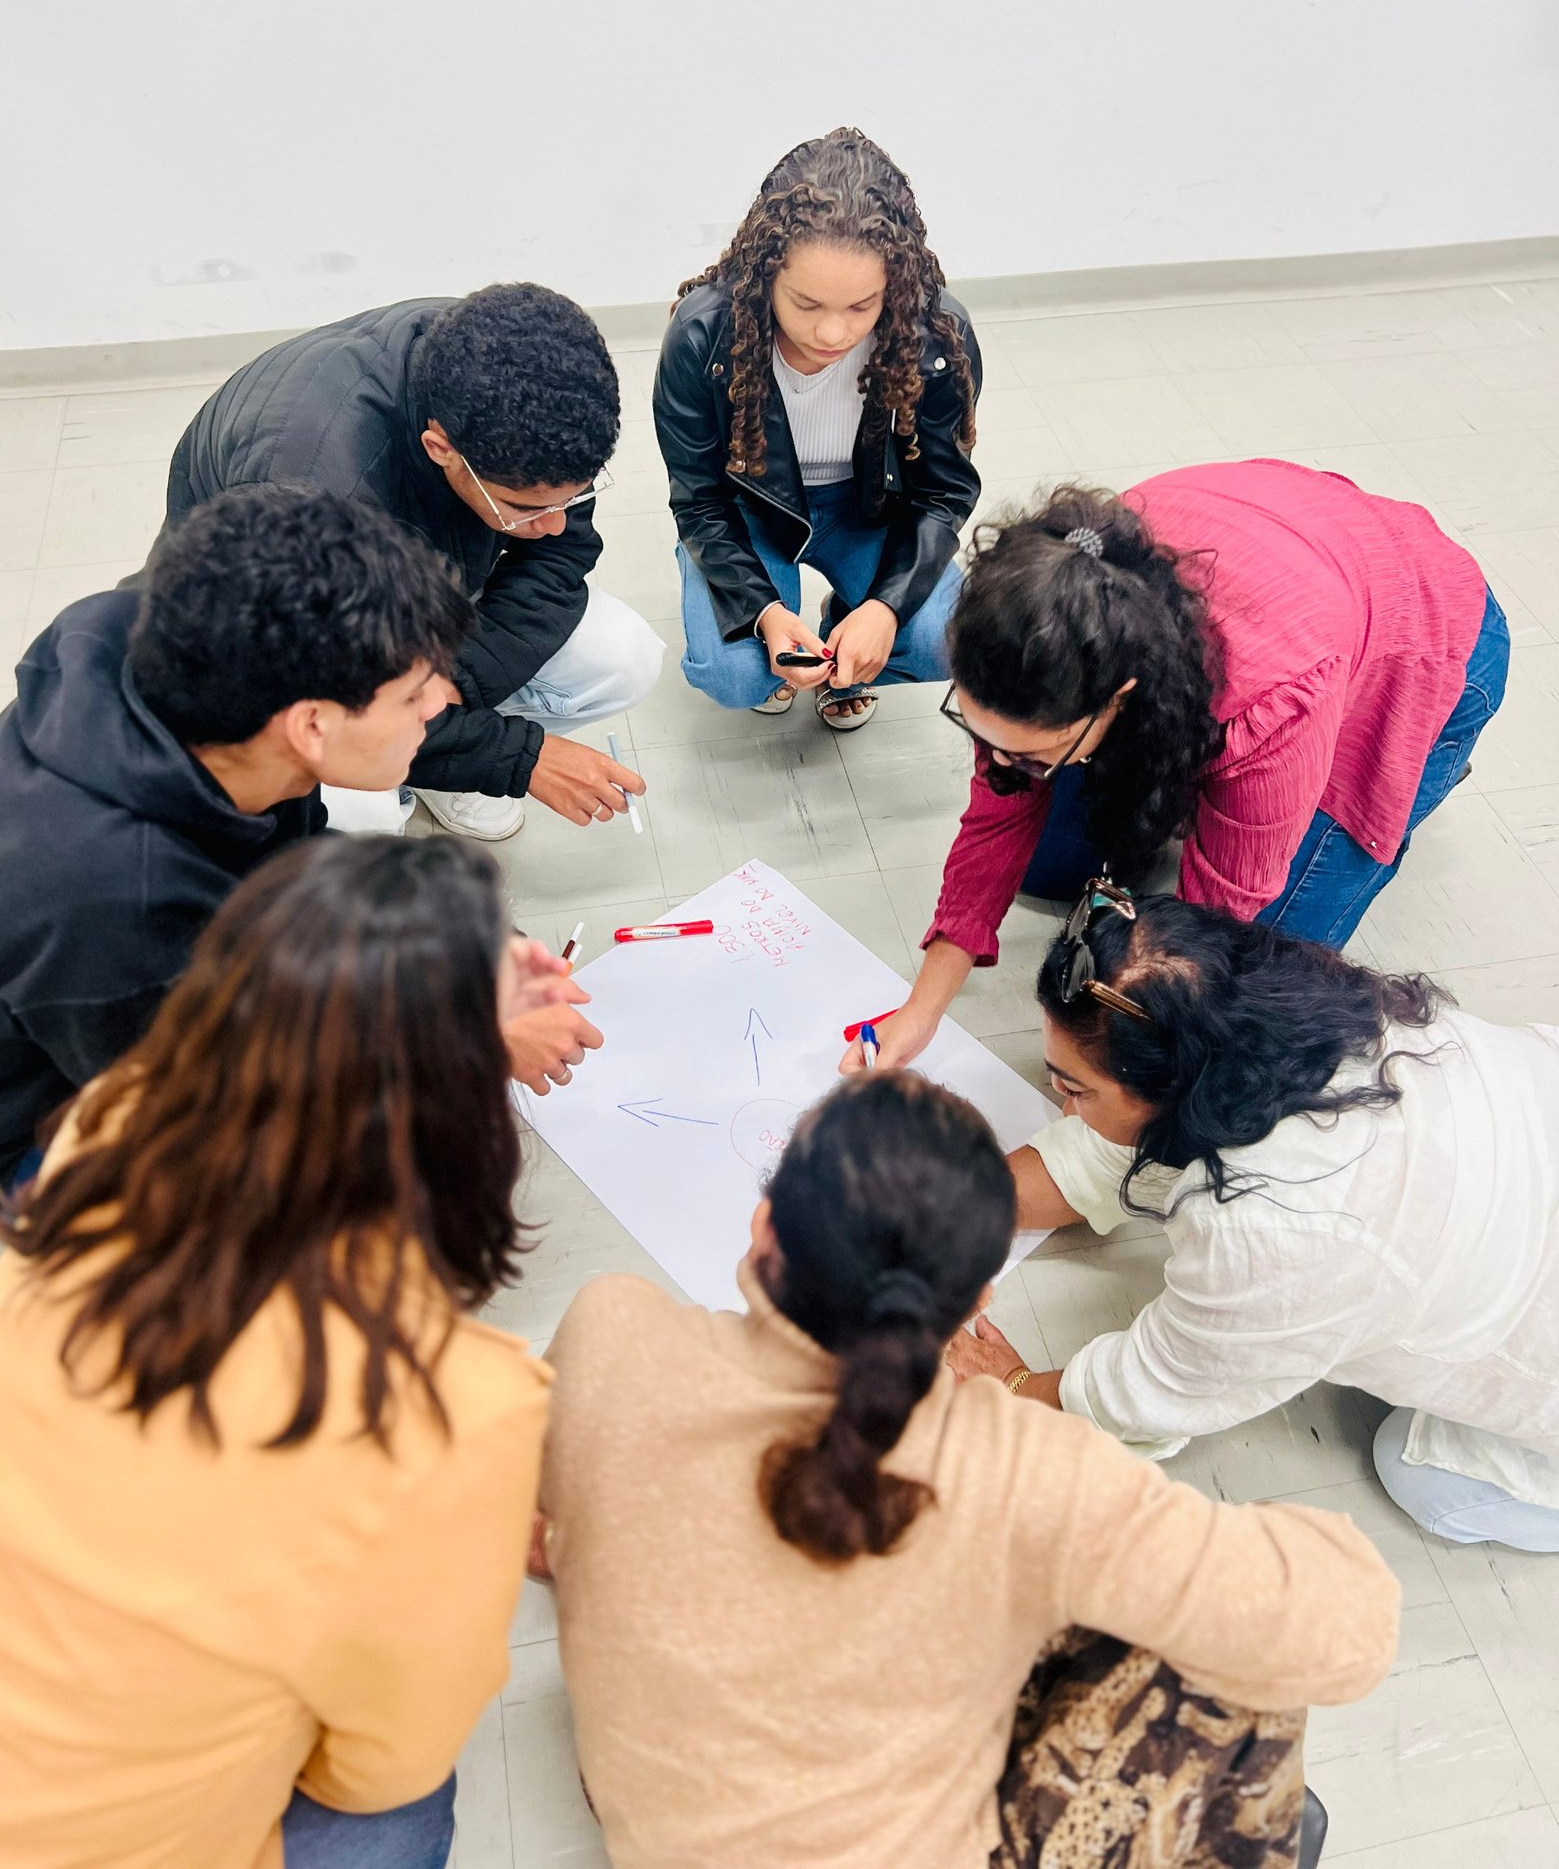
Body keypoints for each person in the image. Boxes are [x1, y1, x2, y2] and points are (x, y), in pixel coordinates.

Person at [538, 1073, 1397, 1869]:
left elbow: (561, 1489)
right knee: (1231, 1684)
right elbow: (1352, 1638)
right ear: (977, 1301)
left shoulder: (611, 1323)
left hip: (653, 1825)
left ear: (764, 1224)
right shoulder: (1016, 1463)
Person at [0, 835, 554, 1869]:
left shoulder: (113, 1124)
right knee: (404, 1809)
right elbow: (383, 1767)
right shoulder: (458, 1404)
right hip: (116, 1841)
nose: (539, 968)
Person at [944, 884, 1559, 1554]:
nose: (1063, 1107)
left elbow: (1169, 1381)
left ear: (1170, 1089)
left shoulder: (1279, 1226)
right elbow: (1120, 1135)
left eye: (1076, 1089)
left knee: (1418, 1473)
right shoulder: (1287, 1013)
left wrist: (1013, 1387)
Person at [844, 461, 1506, 1074]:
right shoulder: (1031, 628)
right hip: (1304, 551)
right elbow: (996, 824)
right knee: (1051, 866)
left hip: (1420, 637)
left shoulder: (1269, 700)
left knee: (1254, 992)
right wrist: (921, 1012)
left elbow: (1213, 921)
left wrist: (1099, 1067)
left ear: (1119, 699)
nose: (1004, 764)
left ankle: (1421, 768)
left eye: (1031, 751)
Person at [0, 487, 475, 1225]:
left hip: (105, 993)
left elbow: (291, 869)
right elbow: (211, 1105)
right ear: (311, 726)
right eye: (415, 694)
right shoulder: (117, 904)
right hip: (16, 1130)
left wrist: (458, 953)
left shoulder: (172, 665)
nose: (441, 703)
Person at [161, 282, 662, 840]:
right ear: (440, 448)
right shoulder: (306, 492)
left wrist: (456, 681)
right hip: (274, 650)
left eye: (570, 498)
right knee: (359, 818)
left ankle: (436, 770)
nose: (553, 525)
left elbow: (557, 557)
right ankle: (397, 780)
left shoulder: (512, 377)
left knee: (623, 657)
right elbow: (323, 699)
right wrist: (522, 758)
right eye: (525, 508)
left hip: (412, 581)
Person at [654, 126, 982, 732]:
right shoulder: (702, 337)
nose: (833, 334)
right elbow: (699, 502)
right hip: (749, 507)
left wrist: (884, 609)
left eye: (862, 306)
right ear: (765, 273)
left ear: (896, 285)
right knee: (736, 674)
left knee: (951, 642)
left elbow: (942, 495)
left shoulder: (935, 339)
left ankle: (842, 638)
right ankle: (785, 649)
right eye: (806, 304)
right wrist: (766, 613)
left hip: (868, 508)